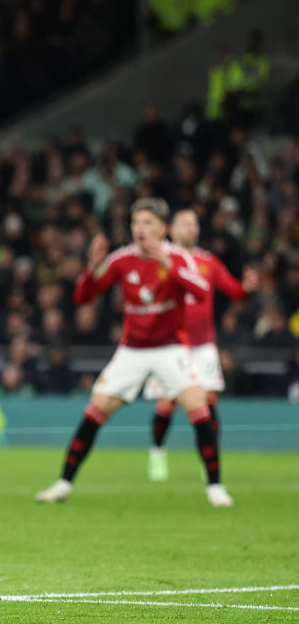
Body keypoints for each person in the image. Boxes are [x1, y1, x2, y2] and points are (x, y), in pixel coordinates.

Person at [36, 198, 234, 508]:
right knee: (96, 410)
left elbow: (201, 291)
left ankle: (215, 487)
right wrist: (91, 267)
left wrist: (170, 266)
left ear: (163, 228)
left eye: (147, 223)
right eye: (136, 223)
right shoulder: (122, 259)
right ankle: (63, 483)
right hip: (132, 350)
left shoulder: (179, 257)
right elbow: (82, 296)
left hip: (171, 348)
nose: (140, 229)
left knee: (199, 407)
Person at [143, 209, 257, 481]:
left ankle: (210, 462)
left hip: (203, 345)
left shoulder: (208, 262)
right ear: (171, 229)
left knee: (207, 403)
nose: (191, 228)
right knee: (166, 403)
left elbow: (234, 291)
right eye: (185, 223)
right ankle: (157, 454)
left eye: (194, 224)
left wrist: (248, 288)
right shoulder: (161, 260)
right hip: (170, 344)